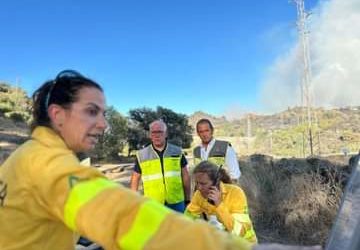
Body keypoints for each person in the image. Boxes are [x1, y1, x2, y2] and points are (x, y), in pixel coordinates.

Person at [0, 69, 322, 250]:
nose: (103, 123)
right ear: (57, 115)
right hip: (157, 207)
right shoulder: (47, 166)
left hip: (179, 203)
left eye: (103, 112)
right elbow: (125, 218)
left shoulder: (23, 159)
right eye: (91, 111)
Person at [185, 161, 257, 243]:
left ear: (216, 183)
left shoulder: (236, 193)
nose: (199, 188)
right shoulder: (199, 195)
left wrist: (219, 205)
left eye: (203, 183)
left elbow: (239, 231)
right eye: (197, 183)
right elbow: (188, 217)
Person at [130, 120, 191, 212]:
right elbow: (135, 179)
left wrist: (187, 199)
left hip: (177, 202)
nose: (157, 135)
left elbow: (185, 176)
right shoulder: (142, 155)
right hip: (153, 204)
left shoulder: (177, 151)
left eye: (160, 132)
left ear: (166, 134)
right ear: (150, 135)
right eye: (153, 132)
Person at [193, 118, 241, 183]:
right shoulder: (196, 151)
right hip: (202, 190)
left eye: (207, 130)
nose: (204, 134)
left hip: (222, 189)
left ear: (212, 131)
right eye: (201, 132)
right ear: (198, 133)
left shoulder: (225, 147)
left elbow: (235, 175)